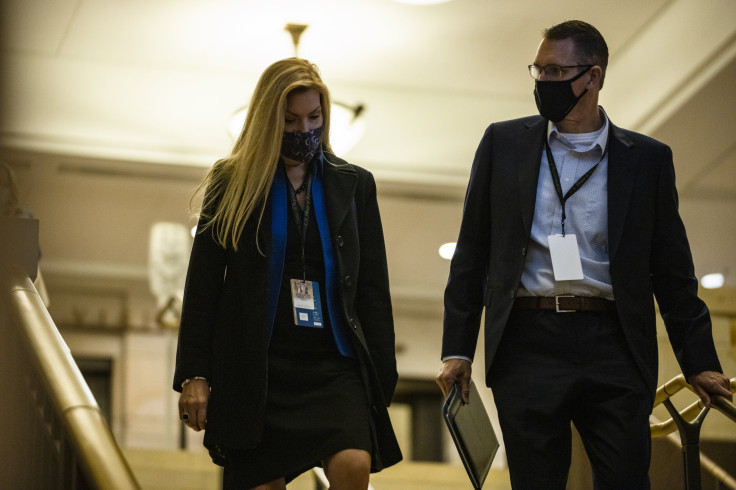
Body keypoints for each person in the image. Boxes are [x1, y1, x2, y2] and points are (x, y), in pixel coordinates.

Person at [436, 20, 732, 489]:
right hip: (527, 340)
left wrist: (699, 362)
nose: (542, 83)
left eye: (556, 72)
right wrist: (457, 350)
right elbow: (472, 252)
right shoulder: (504, 143)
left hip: (614, 341)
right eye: (538, 70)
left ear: (592, 76)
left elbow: (672, 272)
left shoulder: (647, 160)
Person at [173, 58, 401, 490]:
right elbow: (203, 286)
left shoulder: (353, 184)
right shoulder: (232, 181)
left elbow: (372, 288)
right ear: (267, 120)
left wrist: (380, 377)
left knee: (354, 464)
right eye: (291, 120)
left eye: (314, 117)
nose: (305, 129)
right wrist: (194, 375)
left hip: (333, 364)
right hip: (259, 367)